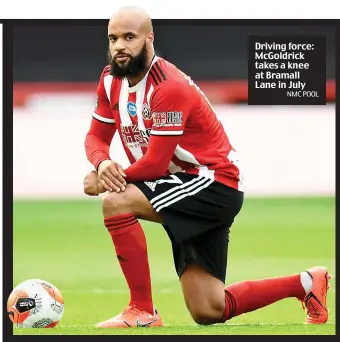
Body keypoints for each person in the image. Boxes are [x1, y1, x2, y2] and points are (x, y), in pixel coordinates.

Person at [83, 6, 331, 328]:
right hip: (180, 186)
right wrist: (101, 162)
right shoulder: (109, 81)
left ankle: (142, 310)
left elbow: (157, 163)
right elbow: (95, 137)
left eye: (129, 37)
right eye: (113, 38)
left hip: (214, 183)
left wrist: (107, 180)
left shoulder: (167, 87)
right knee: (208, 309)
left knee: (116, 202)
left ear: (149, 39)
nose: (119, 46)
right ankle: (307, 284)